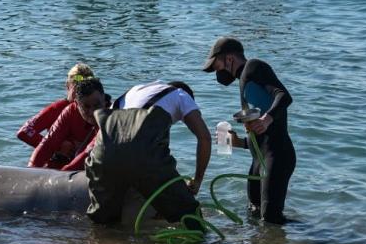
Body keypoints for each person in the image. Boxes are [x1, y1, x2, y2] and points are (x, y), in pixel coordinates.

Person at [85, 80, 211, 228]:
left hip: (102, 154)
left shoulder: (134, 91)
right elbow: (204, 138)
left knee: (103, 220)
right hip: (141, 153)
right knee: (191, 214)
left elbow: (110, 138)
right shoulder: (182, 95)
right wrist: (197, 180)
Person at [203, 37, 295, 225]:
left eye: (216, 65)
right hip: (259, 160)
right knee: (253, 213)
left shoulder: (254, 67)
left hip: (277, 157)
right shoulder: (244, 81)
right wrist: (239, 142)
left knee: (271, 220)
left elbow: (284, 96)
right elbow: (262, 135)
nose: (216, 72)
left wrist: (266, 119)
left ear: (229, 59)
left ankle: (314, 243)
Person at [17, 63, 96, 168]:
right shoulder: (58, 108)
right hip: (56, 168)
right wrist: (58, 146)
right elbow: (25, 131)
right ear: (67, 86)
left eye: (86, 85)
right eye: (77, 84)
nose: (81, 90)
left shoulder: (96, 109)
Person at [29, 78, 106, 171]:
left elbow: (87, 153)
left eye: (97, 105)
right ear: (77, 104)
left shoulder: (113, 117)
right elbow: (47, 145)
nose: (92, 112)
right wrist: (31, 171)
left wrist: (61, 176)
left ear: (104, 99)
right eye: (86, 107)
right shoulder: (70, 111)